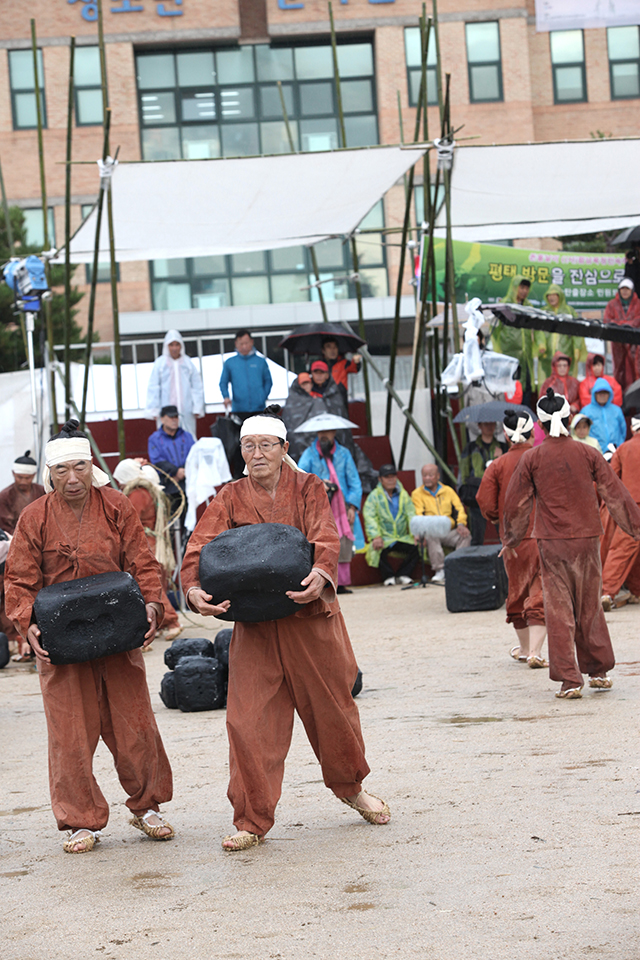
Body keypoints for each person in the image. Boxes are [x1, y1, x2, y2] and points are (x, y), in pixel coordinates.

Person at [181, 412, 390, 851]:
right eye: (249, 446)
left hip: (307, 619)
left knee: (332, 710)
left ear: (284, 449)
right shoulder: (229, 496)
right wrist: (193, 586)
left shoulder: (309, 486)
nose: (258, 454)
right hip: (254, 625)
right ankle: (251, 818)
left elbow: (325, 535)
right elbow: (201, 544)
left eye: (267, 445)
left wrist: (321, 571)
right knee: (246, 720)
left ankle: (352, 787)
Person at [4, 420, 174, 853]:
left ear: (92, 466)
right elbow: (18, 581)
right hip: (61, 643)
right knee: (69, 732)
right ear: (50, 473)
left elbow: (142, 561)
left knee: (134, 722)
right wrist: (28, 621)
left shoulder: (117, 505)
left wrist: (153, 604)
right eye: (62, 470)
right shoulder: (34, 517)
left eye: (80, 467)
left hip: (117, 634)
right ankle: (80, 820)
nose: (73, 478)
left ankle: (147, 806)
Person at [503, 390, 640, 699]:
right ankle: (599, 671)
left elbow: (516, 504)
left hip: (552, 542)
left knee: (560, 609)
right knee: (590, 605)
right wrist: (636, 527)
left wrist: (510, 539)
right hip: (588, 538)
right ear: (567, 417)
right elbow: (614, 491)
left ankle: (570, 680)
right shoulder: (588, 453)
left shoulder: (532, 457)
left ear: (538, 423)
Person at [476, 410, 547, 668]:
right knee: (541, 591)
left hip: (512, 541)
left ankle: (526, 647)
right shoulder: (543, 458)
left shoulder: (497, 465)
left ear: (505, 435)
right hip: (544, 535)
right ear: (532, 432)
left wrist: (497, 518)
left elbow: (484, 500)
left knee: (517, 591)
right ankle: (536, 650)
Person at [112, 458, 183, 642]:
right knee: (156, 584)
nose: (119, 484)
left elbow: (128, 520)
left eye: (120, 480)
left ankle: (172, 621)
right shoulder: (148, 491)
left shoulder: (136, 494)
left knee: (150, 586)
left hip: (145, 543)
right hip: (154, 542)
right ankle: (159, 624)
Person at [298, 422, 363, 595]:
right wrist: (319, 483)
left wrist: (353, 506)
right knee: (321, 542)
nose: (324, 434)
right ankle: (323, 581)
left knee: (343, 543)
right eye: (320, 431)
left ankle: (341, 583)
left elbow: (354, 481)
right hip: (319, 506)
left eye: (327, 431)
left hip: (343, 507)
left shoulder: (344, 454)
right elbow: (300, 477)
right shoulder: (309, 454)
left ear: (334, 432)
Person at [0, 451, 45, 658]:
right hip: (12, 551)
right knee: (11, 596)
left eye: (27, 478)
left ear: (34, 476)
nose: (24, 482)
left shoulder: (42, 492)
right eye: (20, 477)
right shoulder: (4, 497)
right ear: (13, 474)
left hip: (41, 549)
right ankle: (11, 639)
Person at [601, 417, 640, 610]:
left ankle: (607, 592)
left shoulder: (623, 449)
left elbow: (610, 477)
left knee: (621, 551)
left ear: (633, 429)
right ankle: (637, 590)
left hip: (632, 508)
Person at [411, 463, 470, 584]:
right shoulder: (417, 494)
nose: (427, 478)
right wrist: (419, 532)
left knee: (465, 536)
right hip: (432, 531)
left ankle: (457, 567)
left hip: (449, 530)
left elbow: (459, 509)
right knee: (430, 534)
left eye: (431, 475)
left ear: (438, 476)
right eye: (424, 475)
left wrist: (461, 524)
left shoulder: (448, 491)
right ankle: (440, 569)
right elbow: (418, 514)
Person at [363, 465, 419, 585]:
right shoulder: (374, 497)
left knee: (417, 547)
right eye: (387, 477)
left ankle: (403, 574)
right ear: (380, 479)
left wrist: (415, 532)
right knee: (377, 550)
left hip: (401, 536)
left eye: (393, 476)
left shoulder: (404, 495)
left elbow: (411, 514)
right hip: (384, 537)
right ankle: (388, 576)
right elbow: (370, 516)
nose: (390, 480)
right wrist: (376, 536)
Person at [145, 329, 205, 439]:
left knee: (188, 437)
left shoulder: (188, 363)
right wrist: (153, 409)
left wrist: (197, 407)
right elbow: (153, 387)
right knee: (166, 438)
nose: (174, 348)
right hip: (166, 409)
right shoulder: (160, 364)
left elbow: (196, 386)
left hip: (186, 410)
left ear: (181, 346)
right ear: (166, 346)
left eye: (177, 344)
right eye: (171, 345)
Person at [458, 422, 508, 545]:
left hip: (498, 494)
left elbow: (507, 470)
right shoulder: (471, 447)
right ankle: (476, 562)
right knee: (477, 534)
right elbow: (464, 471)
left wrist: (499, 458)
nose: (489, 427)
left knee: (504, 534)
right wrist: (463, 489)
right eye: (485, 424)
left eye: (491, 424)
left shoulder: (503, 447)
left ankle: (505, 562)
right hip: (477, 493)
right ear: (479, 426)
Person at [148, 404, 195, 512]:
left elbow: (194, 456)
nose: (174, 420)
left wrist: (182, 472)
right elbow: (157, 460)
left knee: (188, 517)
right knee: (168, 516)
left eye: (176, 417)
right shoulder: (154, 439)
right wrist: (175, 471)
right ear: (162, 419)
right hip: (166, 483)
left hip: (187, 481)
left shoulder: (187, 436)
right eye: (171, 417)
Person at [219, 330, 273, 416]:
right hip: (238, 409)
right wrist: (226, 396)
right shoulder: (230, 363)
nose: (244, 346)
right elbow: (223, 382)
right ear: (236, 344)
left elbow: (268, 381)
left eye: (246, 343)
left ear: (252, 342)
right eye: (241, 344)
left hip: (259, 408)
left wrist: (263, 396)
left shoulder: (261, 362)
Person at [539, 285, 585, 378]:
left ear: (560, 296)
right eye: (549, 295)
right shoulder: (543, 311)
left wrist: (577, 347)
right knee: (548, 379)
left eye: (554, 294)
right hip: (547, 354)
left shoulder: (569, 311)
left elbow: (576, 330)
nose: (551, 297)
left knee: (566, 379)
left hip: (565, 352)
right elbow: (538, 330)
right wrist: (541, 343)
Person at [603, 278, 640, 392]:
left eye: (627, 289)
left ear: (632, 290)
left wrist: (621, 324)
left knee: (634, 369)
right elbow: (607, 320)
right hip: (618, 343)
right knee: (619, 369)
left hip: (634, 343)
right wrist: (624, 325)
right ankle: (620, 396)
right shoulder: (612, 304)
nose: (624, 292)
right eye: (622, 289)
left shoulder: (638, 303)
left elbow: (638, 319)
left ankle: (634, 399)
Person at [579, 378, 627, 455]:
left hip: (616, 452)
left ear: (609, 394)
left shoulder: (617, 410)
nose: (602, 395)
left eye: (605, 392)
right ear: (594, 394)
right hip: (594, 452)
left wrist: (619, 446)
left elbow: (623, 431)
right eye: (599, 393)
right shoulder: (586, 411)